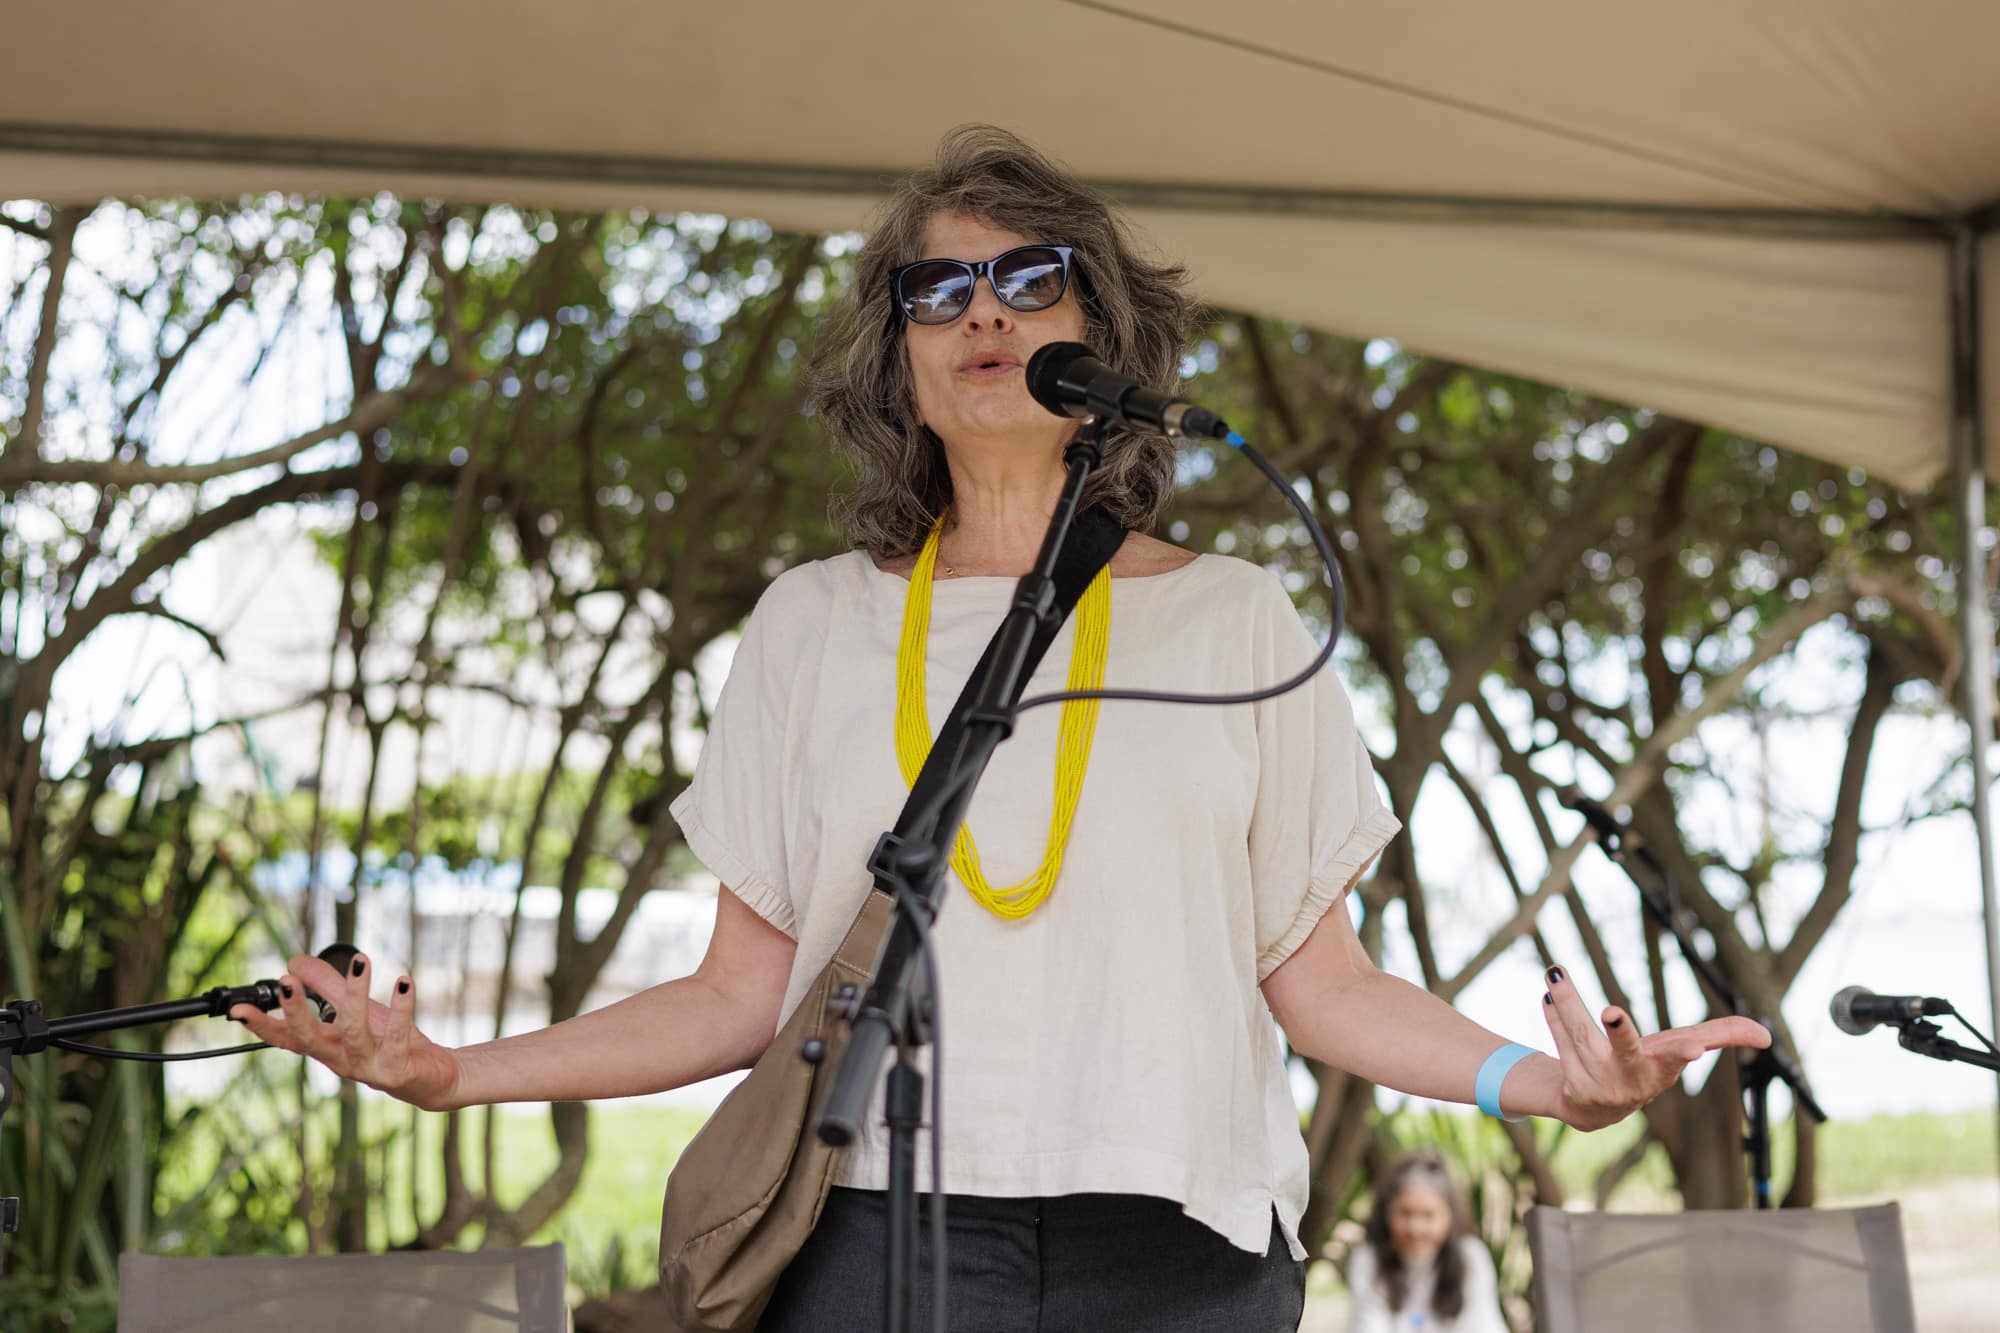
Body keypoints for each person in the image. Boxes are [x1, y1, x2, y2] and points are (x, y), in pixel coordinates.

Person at [231, 125, 1770, 1331]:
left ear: (1105, 338)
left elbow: (1324, 982)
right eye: (939, 287)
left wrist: (1546, 1083)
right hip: (869, 1239)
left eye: (1032, 279)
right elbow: (730, 997)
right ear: (896, 354)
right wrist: (449, 1071)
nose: (982, 312)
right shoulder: (811, 623)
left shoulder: (1235, 618)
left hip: (1184, 1258)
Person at [1347, 1155, 1507, 1333]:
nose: (1415, 1228)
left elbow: (1483, 1325)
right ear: (1387, 1212)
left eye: (1428, 1215)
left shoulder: (1471, 1257)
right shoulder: (1368, 1260)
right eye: (1405, 1213)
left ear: (1450, 1216)